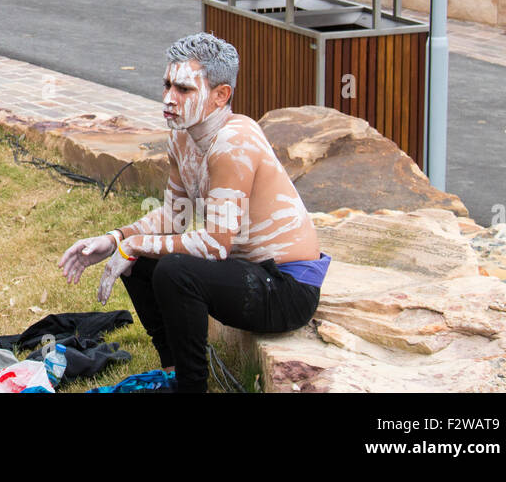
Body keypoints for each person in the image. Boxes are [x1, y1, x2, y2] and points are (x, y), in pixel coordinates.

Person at [59, 33, 329, 394]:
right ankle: (171, 368)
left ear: (221, 96)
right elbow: (174, 217)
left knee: (173, 269)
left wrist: (135, 244)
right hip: (249, 271)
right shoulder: (183, 137)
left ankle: (191, 386)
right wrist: (115, 240)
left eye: (184, 89)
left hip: (286, 288)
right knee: (141, 259)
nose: (169, 98)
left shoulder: (234, 141)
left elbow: (217, 244)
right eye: (167, 85)